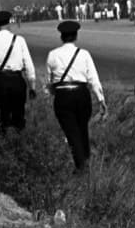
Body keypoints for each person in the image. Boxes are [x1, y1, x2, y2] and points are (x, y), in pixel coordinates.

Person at [46, 20, 107, 173]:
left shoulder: (53, 55)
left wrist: (53, 94)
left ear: (61, 37)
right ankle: (84, 162)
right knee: (82, 129)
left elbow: (49, 82)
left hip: (62, 95)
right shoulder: (84, 54)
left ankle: (81, 166)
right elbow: (93, 79)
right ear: (75, 36)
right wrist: (101, 100)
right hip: (81, 94)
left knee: (71, 132)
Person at [0, 10, 38, 133]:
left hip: (0, 81)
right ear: (9, 23)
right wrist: (32, 87)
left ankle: (5, 140)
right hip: (17, 81)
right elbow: (29, 66)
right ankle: (19, 141)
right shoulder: (19, 40)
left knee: (2, 118)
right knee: (19, 116)